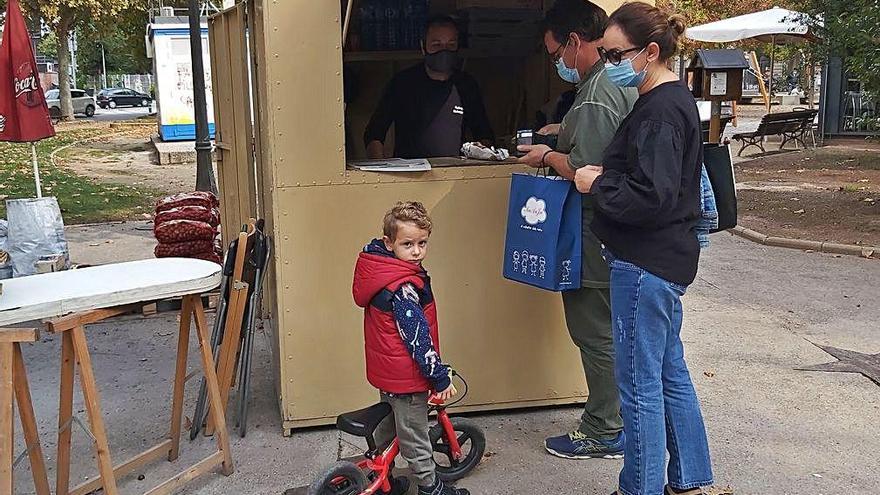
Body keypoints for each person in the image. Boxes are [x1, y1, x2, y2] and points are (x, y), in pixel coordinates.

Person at [572, 3, 714, 494]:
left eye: (614, 54)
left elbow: (651, 195)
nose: (608, 62)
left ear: (650, 52)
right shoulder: (674, 102)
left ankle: (640, 487)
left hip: (644, 264)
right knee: (669, 371)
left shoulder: (658, 112)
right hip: (666, 260)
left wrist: (597, 182)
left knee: (639, 387)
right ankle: (689, 473)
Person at [517, 0, 637, 461]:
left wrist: (546, 156)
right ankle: (620, 421)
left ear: (574, 41)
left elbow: (586, 169)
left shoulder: (593, 93)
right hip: (617, 232)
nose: (557, 65)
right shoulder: (610, 85)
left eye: (555, 54)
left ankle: (604, 429)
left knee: (594, 332)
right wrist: (563, 129)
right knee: (614, 329)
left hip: (593, 233)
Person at [352, 202, 469, 495]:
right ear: (389, 243)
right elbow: (418, 339)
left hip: (387, 372)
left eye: (422, 243)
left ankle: (384, 481)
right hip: (408, 379)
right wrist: (439, 377)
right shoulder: (403, 288)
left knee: (389, 428)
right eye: (407, 244)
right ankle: (431, 487)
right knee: (416, 437)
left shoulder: (379, 270)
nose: (416, 251)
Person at [364, 15, 494, 159]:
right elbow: (374, 133)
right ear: (423, 47)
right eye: (436, 45)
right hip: (410, 175)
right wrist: (382, 172)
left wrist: (482, 153)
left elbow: (484, 134)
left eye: (451, 45)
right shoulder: (403, 83)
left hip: (456, 174)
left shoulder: (466, 85)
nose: (444, 51)